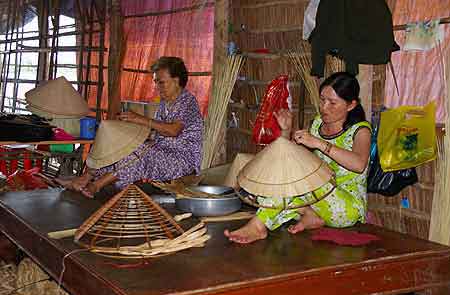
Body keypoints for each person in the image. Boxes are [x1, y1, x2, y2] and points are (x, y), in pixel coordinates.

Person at [225, 72, 372, 244]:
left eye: (332, 103)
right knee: (285, 181)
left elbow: (359, 164)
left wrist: (319, 143)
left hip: (345, 208)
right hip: (318, 198)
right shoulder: (317, 124)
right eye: (322, 100)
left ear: (350, 105)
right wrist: (286, 130)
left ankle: (260, 226)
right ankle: (309, 215)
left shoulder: (360, 131)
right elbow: (292, 159)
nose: (324, 107)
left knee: (301, 186)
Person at [56, 57, 203, 197]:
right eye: (156, 82)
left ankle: (96, 186)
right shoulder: (165, 104)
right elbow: (156, 134)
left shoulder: (186, 102)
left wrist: (139, 119)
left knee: (138, 153)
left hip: (181, 161)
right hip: (162, 152)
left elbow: (173, 130)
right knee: (123, 148)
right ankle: (85, 178)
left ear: (176, 81)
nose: (157, 87)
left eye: (161, 82)